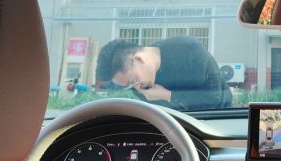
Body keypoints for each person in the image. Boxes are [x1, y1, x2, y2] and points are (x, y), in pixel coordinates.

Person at [95, 36, 232, 111]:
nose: (136, 87)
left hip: (220, 120)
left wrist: (167, 95)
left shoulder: (190, 49)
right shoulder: (141, 87)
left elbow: (214, 98)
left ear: (139, 59)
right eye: (129, 86)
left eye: (133, 80)